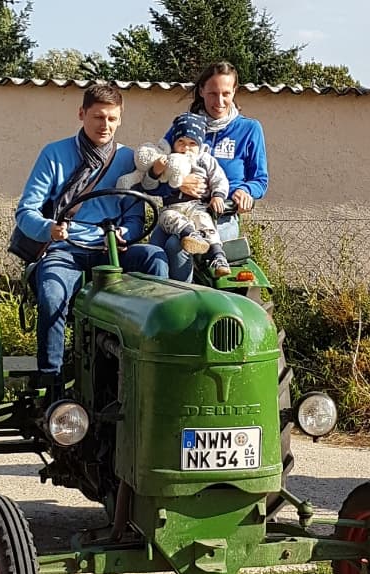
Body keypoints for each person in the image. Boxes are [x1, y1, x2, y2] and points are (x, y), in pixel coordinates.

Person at [15, 84, 169, 381]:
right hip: (65, 250)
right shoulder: (54, 154)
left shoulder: (129, 159)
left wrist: (125, 233)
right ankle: (51, 379)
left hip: (112, 251)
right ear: (82, 114)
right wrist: (50, 229)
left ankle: (151, 364)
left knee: (155, 258)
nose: (105, 125)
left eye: (112, 118)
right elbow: (25, 212)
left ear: (120, 119)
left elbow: (135, 216)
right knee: (52, 295)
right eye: (98, 117)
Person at [150, 61, 269, 282]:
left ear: (235, 91)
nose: (219, 101)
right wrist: (178, 182)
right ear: (201, 91)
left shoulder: (249, 129)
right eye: (213, 93)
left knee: (178, 245)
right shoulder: (184, 126)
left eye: (226, 93)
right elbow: (156, 170)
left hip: (219, 218)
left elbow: (260, 180)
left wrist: (245, 191)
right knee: (152, 252)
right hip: (177, 210)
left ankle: (183, 299)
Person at [148, 111, 231, 277]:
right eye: (181, 142)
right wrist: (156, 171)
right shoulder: (167, 159)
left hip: (196, 205)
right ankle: (190, 235)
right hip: (172, 207)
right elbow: (150, 185)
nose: (186, 148)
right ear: (173, 142)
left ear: (200, 145)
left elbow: (219, 179)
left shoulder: (205, 160)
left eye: (192, 143)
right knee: (168, 218)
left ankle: (217, 256)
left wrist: (218, 196)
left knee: (205, 222)